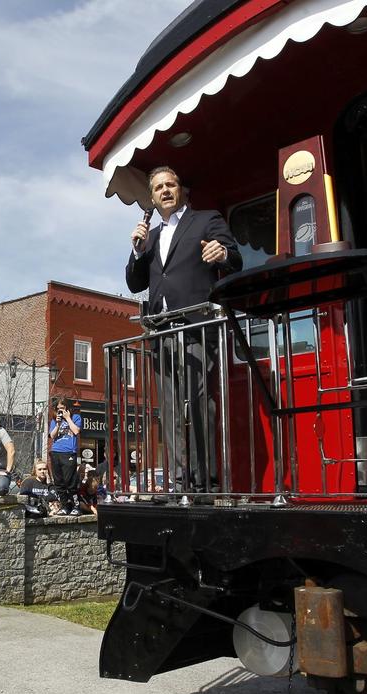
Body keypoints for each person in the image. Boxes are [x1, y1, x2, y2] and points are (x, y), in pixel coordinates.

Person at [125, 166, 240, 491]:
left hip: (196, 326)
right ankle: (177, 482)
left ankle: (205, 482)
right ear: (151, 197)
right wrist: (137, 249)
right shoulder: (150, 236)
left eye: (170, 184)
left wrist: (222, 253)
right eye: (158, 187)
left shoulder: (206, 220)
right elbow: (134, 284)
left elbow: (236, 259)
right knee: (170, 410)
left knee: (201, 402)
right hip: (161, 332)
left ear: (181, 190)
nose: (165, 190)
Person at [48, 398, 81, 513]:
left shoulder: (75, 417)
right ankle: (65, 506)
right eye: (58, 409)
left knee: (69, 481)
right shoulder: (54, 420)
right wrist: (57, 424)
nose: (60, 411)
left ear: (68, 408)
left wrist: (67, 418)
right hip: (56, 451)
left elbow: (76, 431)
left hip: (69, 452)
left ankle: (76, 505)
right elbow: (52, 436)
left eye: (62, 408)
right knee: (59, 481)